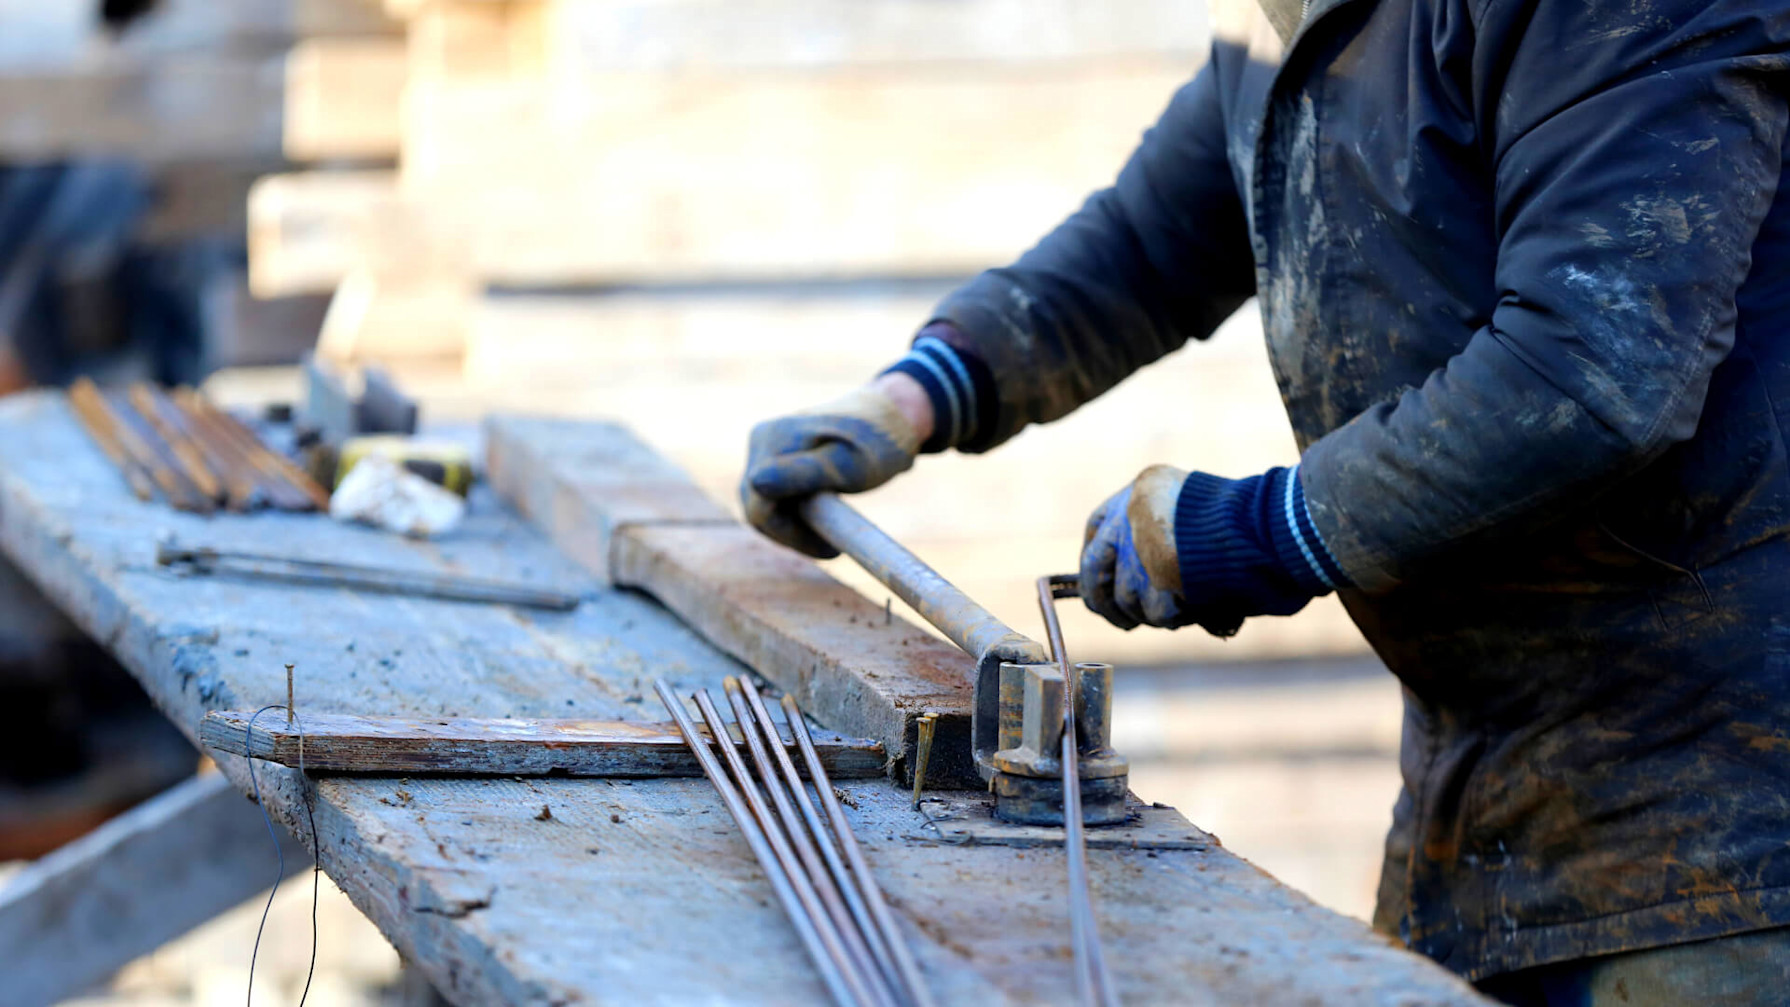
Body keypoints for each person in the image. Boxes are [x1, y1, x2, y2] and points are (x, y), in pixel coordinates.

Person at [740, 0, 1790, 1002]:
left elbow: (1587, 377)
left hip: (1720, 812)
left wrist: (1256, 530)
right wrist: (919, 392)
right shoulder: (1293, 19)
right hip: (1487, 792)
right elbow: (1150, 243)